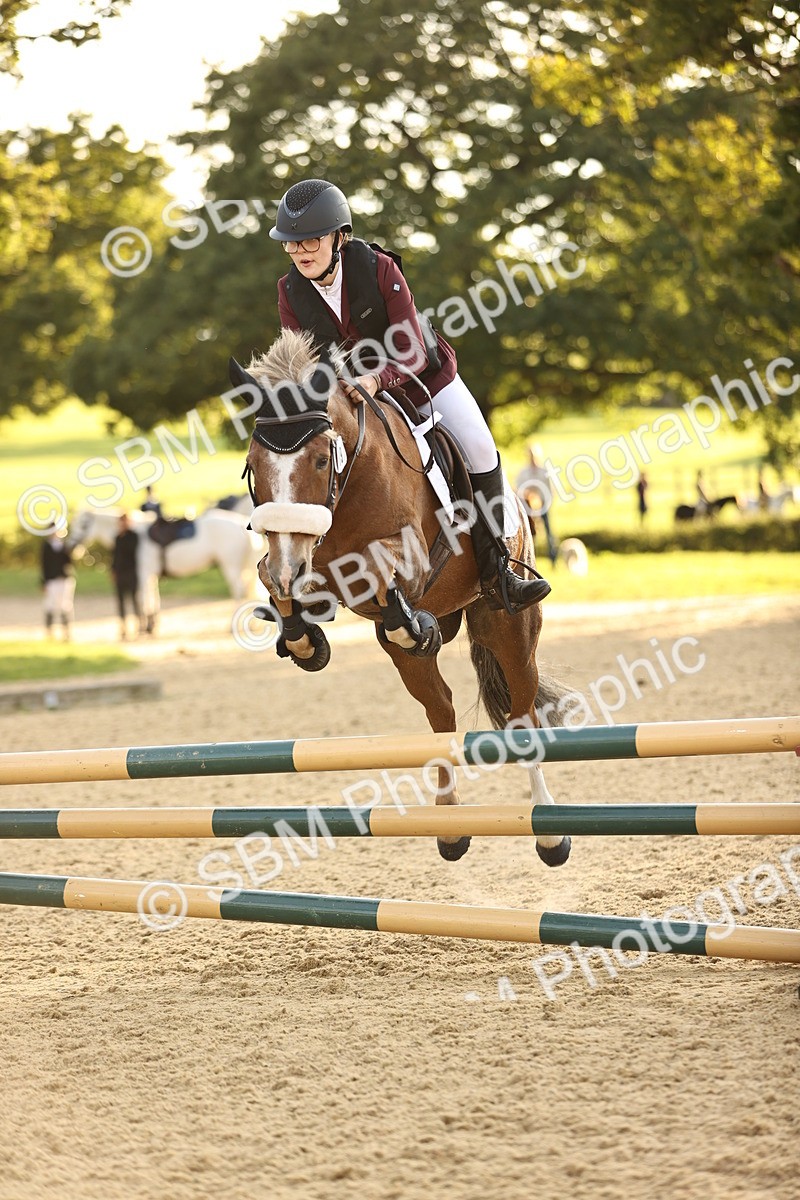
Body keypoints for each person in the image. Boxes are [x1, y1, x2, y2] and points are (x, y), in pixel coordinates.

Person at [269, 178, 551, 615]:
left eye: (311, 240)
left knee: (478, 447)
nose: (301, 252)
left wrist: (376, 381)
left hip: (423, 380)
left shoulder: (378, 268)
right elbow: (304, 363)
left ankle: (501, 568)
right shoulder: (289, 291)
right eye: (292, 244)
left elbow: (412, 348)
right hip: (350, 399)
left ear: (339, 237)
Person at [515, 443, 558, 566]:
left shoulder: (544, 471)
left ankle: (553, 559)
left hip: (543, 505)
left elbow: (550, 490)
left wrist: (542, 505)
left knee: (549, 533)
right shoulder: (523, 472)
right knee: (529, 534)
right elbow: (518, 489)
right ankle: (530, 560)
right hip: (528, 507)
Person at [41, 524, 75, 640]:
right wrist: (44, 582)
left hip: (64, 579)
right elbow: (44, 565)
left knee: (65, 604)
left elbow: (69, 561)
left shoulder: (63, 545)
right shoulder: (46, 546)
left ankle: (66, 631)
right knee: (50, 604)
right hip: (52, 579)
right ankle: (49, 631)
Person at [111, 513, 140, 640]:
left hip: (131, 572)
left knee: (134, 600)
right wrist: (113, 570)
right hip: (120, 573)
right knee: (121, 601)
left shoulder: (133, 536)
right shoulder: (117, 537)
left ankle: (139, 625)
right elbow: (115, 556)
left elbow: (130, 553)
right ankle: (123, 627)